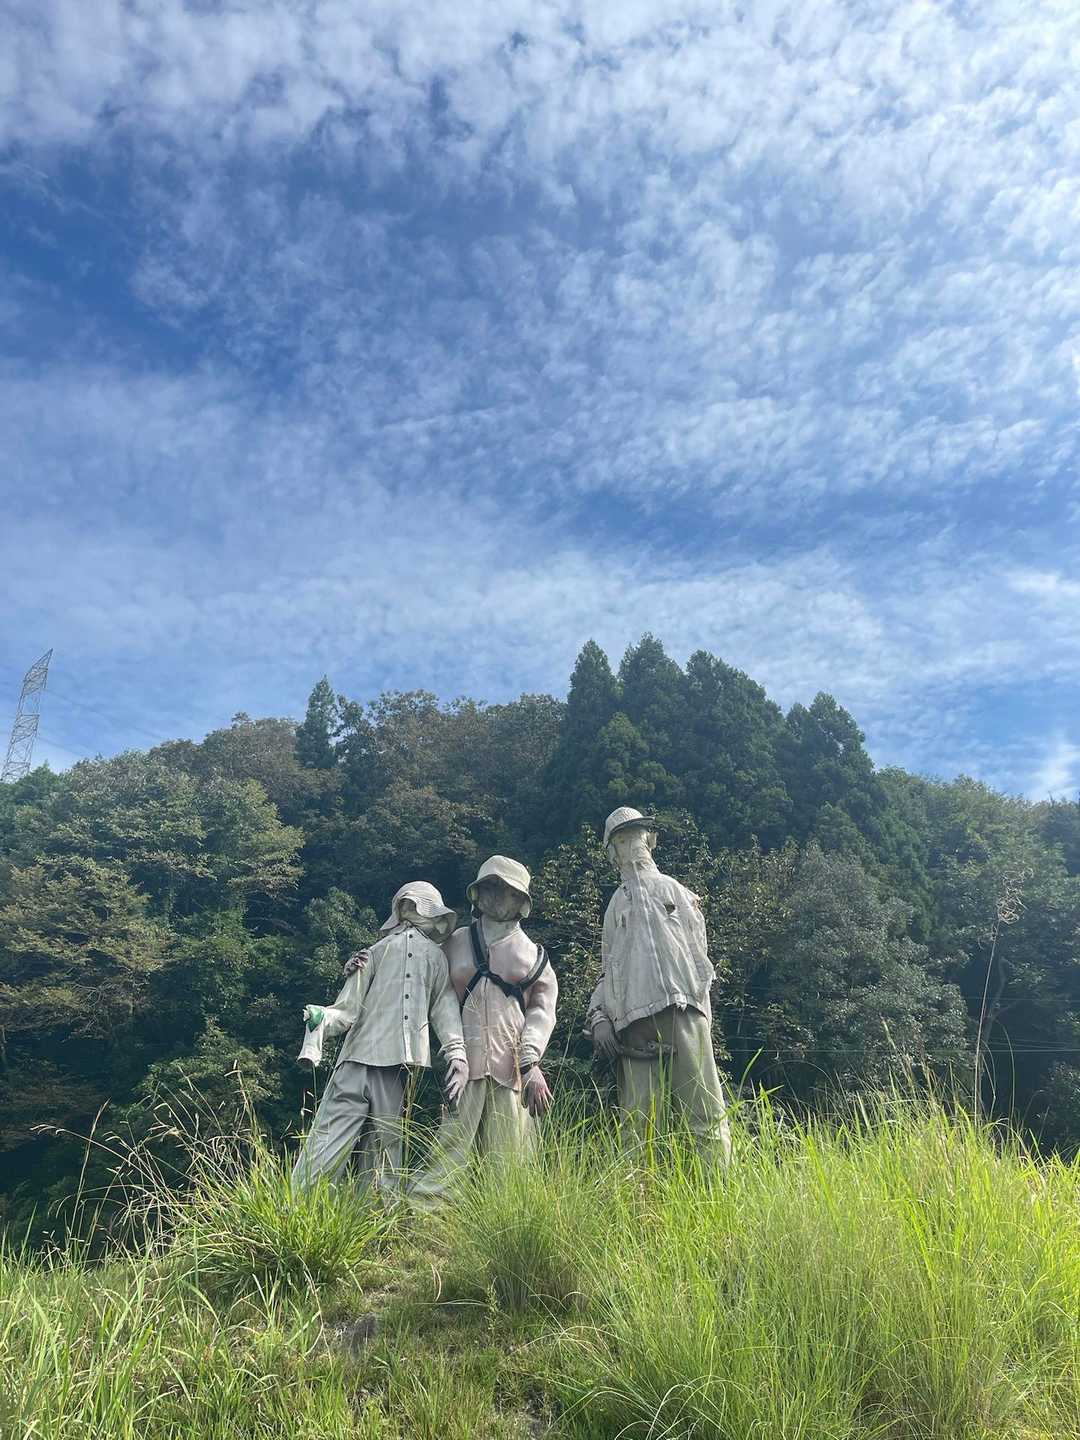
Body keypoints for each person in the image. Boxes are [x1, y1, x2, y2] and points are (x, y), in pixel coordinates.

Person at [292, 880, 468, 1199]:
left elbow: (443, 1007)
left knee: (379, 1146)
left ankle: (356, 1216)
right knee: (353, 1143)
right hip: (366, 1061)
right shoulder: (376, 953)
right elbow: (346, 1010)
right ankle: (302, 1206)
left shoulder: (428, 957)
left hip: (394, 1066)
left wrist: (456, 1051)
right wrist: (321, 1020)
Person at [409, 855, 558, 1204]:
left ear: (520, 900)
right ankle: (422, 1217)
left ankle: (506, 1222)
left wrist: (531, 1062)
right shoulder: (455, 942)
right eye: (488, 886)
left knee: (512, 1160)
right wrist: (370, 961)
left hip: (513, 1068)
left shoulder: (533, 955)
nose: (495, 894)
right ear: (477, 893)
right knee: (449, 1151)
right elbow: (417, 968)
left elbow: (542, 1012)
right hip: (465, 1062)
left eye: (503, 889)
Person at [588, 808, 732, 1163]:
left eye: (635, 836)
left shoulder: (675, 890)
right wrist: (599, 1017)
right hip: (633, 1020)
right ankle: (638, 1198)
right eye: (622, 839)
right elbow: (609, 968)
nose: (631, 845)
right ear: (612, 851)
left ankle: (719, 1191)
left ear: (650, 839)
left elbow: (700, 958)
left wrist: (701, 1015)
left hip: (684, 1009)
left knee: (704, 1115)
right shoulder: (615, 905)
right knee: (638, 1127)